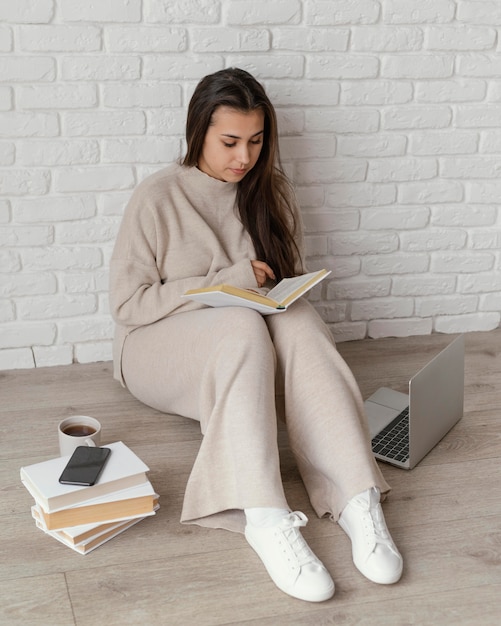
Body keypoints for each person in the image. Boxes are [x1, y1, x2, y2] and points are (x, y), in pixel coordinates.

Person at [109, 67, 403, 603]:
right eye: (229, 141)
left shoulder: (270, 191)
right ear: (197, 132)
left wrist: (271, 291)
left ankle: (356, 498)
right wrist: (229, 281)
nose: (243, 156)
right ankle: (265, 517)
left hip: (245, 346)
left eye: (255, 140)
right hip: (157, 348)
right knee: (242, 324)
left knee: (302, 321)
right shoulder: (157, 196)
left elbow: (281, 289)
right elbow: (130, 305)